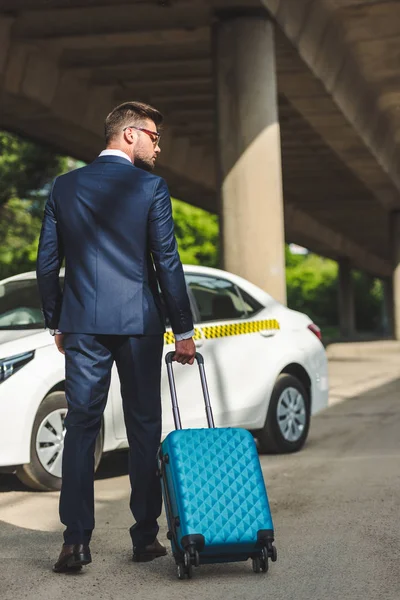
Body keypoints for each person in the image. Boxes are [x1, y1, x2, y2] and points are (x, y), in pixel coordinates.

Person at [36, 101, 196, 573]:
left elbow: (48, 263)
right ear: (129, 134)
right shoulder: (150, 188)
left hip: (82, 322)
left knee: (81, 427)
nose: (158, 146)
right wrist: (183, 328)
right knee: (144, 425)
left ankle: (75, 543)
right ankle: (145, 537)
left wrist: (56, 321)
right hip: (139, 323)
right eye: (153, 136)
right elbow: (166, 260)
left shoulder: (64, 188)